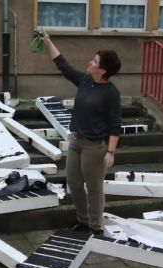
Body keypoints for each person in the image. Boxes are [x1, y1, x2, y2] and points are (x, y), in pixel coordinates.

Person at [37, 30, 122, 235]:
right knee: (74, 183)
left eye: (94, 61)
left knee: (94, 188)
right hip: (76, 141)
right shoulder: (85, 81)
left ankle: (95, 226)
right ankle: (83, 221)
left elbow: (114, 125)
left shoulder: (111, 93)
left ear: (102, 70)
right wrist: (48, 42)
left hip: (95, 147)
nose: (90, 62)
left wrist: (110, 152)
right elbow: (64, 66)